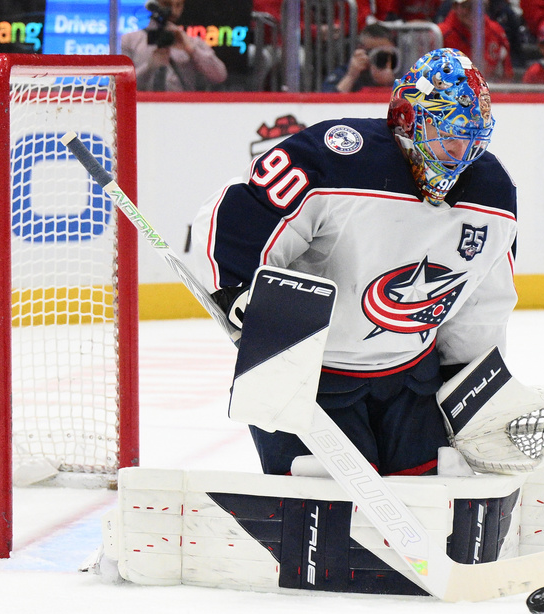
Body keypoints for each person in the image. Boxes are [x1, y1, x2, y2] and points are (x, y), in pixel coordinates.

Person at [188, 48, 517, 483]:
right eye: (447, 134)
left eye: (473, 137)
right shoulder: (337, 156)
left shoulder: (492, 193)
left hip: (411, 383)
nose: (460, 151)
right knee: (326, 524)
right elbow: (240, 215)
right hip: (310, 381)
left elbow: (482, 303)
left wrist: (468, 383)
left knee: (426, 506)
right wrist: (238, 290)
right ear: (407, 117)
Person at [120, 0, 227, 92]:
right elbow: (121, 86)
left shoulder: (191, 42)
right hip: (143, 106)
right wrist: (149, 67)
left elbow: (220, 76)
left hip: (182, 108)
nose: (173, 11)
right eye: (167, 4)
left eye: (178, 5)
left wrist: (192, 50)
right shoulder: (130, 41)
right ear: (157, 3)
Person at [438, 0, 514, 81]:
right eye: (466, 6)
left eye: (477, 6)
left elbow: (506, 75)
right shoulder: (440, 34)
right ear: (455, 7)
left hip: (489, 90)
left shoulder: (496, 32)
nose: (472, 11)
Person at [321, 23, 400, 92]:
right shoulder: (346, 72)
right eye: (371, 51)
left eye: (383, 52)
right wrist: (351, 77)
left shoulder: (403, 72)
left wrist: (389, 84)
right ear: (361, 49)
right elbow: (327, 104)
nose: (379, 56)